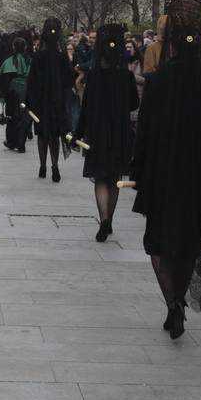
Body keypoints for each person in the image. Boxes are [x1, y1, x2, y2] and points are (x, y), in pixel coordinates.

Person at [129, 0, 201, 339]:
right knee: (188, 242)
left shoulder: (158, 83)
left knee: (158, 243)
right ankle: (178, 298)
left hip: (163, 174)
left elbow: (144, 133)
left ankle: (173, 302)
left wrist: (138, 171)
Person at [74, 22, 138, 242]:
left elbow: (85, 108)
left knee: (100, 177)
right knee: (114, 179)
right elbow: (133, 103)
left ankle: (102, 219)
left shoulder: (93, 76)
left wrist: (77, 133)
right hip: (120, 131)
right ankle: (109, 218)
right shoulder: (126, 76)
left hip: (97, 131)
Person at [25, 17, 75, 182]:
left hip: (40, 102)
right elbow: (69, 81)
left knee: (42, 135)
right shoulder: (62, 59)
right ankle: (55, 165)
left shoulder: (38, 58)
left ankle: (42, 165)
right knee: (54, 135)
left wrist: (29, 103)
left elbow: (31, 82)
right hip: (57, 102)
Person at [0, 36, 32, 153]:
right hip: (27, 90)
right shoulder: (30, 61)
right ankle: (21, 143)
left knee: (12, 116)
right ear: (25, 48)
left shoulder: (8, 62)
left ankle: (12, 142)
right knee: (25, 116)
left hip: (12, 91)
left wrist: (2, 94)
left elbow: (3, 79)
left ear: (13, 47)